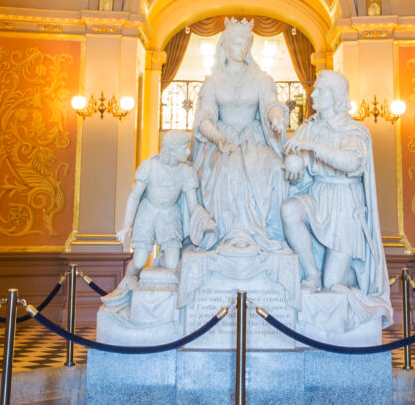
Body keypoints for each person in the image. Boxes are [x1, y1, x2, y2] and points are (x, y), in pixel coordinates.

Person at [279, 70, 388, 300]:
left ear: (335, 95)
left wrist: (313, 146)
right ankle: (311, 274)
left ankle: (355, 274)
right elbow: (296, 160)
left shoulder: (352, 130)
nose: (312, 95)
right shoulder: (310, 127)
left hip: (343, 202)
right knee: (289, 210)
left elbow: (351, 162)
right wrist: (294, 170)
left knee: (333, 283)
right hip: (317, 194)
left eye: (319, 90)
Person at [189, 18, 291, 250]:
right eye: (237, 43)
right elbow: (204, 118)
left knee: (276, 167)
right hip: (221, 140)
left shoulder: (261, 78)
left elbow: (271, 102)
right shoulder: (213, 81)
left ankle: (272, 232)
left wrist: (276, 117)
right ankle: (235, 233)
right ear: (225, 45)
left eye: (246, 44)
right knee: (231, 165)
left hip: (253, 139)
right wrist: (219, 139)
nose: (242, 48)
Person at [105, 129, 206, 303]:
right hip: (148, 213)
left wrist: (201, 223)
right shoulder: (150, 167)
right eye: (185, 148)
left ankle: (159, 264)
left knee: (173, 263)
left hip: (170, 215)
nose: (188, 152)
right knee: (139, 260)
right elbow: (135, 196)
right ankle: (127, 281)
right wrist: (126, 225)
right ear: (172, 150)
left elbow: (193, 205)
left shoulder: (186, 172)